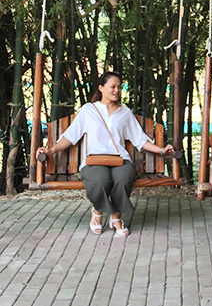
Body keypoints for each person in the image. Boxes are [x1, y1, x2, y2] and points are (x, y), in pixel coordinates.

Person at [36, 71, 174, 237]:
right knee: (100, 181)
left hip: (120, 159)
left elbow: (140, 139)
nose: (117, 90)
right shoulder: (88, 110)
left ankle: (114, 217)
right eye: (112, 87)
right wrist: (51, 150)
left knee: (124, 179)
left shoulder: (125, 112)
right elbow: (70, 136)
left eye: (119, 87)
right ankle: (102, 213)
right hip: (94, 160)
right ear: (101, 88)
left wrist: (161, 150)